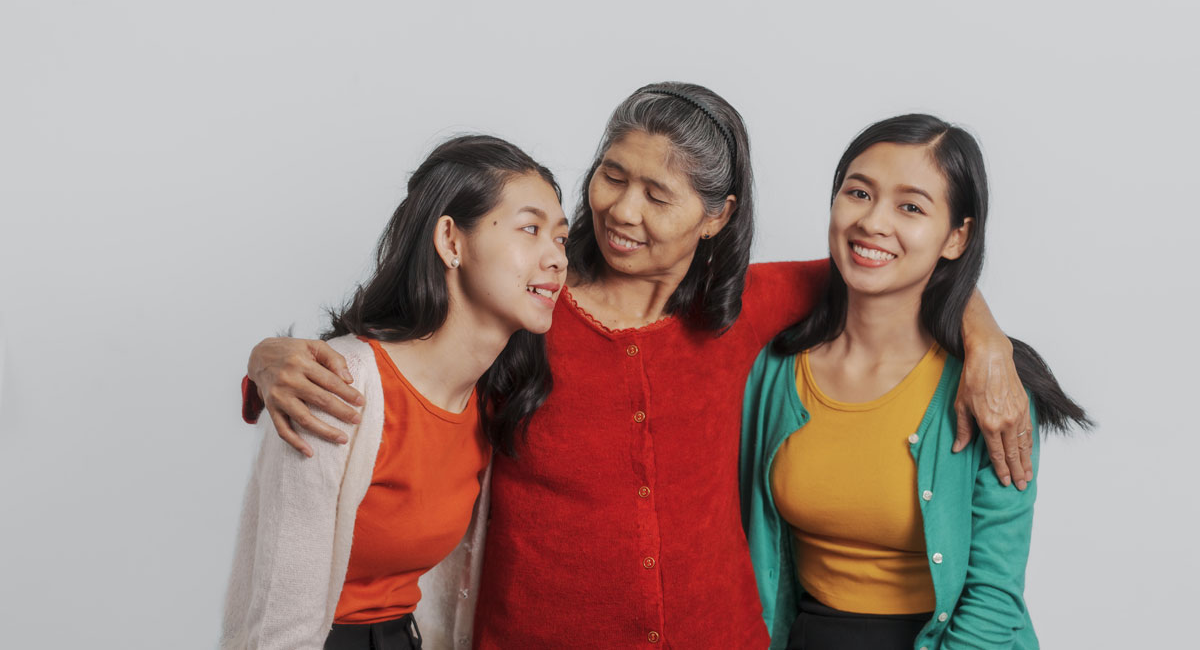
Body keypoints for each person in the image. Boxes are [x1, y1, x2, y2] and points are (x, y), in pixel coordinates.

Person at [240, 84, 1034, 648]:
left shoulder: (742, 309)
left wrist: (988, 342)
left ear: (717, 217)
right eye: (613, 176)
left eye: (660, 194)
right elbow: (403, 359)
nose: (623, 209)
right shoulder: (529, 303)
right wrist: (267, 360)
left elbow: (885, 266)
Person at [740, 114, 1091, 650]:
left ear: (956, 237)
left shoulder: (992, 389)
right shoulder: (772, 365)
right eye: (858, 193)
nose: (874, 222)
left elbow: (993, 599)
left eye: (911, 207)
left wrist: (987, 341)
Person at [221, 135, 569, 650]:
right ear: (451, 241)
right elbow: (281, 617)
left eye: (561, 238)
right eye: (530, 228)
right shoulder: (336, 387)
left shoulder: (488, 400)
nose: (557, 258)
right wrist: (262, 360)